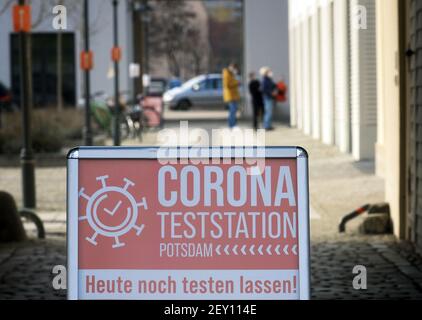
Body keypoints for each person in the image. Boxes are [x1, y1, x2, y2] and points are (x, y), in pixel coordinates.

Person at [222, 62, 240, 128]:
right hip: (230, 96)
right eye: (234, 68)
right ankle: (232, 125)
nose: (235, 70)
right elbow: (227, 84)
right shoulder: (226, 73)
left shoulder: (231, 74)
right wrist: (236, 82)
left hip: (233, 95)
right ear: (231, 67)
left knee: (233, 111)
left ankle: (233, 124)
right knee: (232, 111)